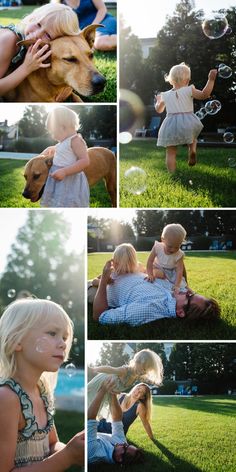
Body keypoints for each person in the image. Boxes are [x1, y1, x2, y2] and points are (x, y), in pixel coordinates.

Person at [0, 298, 84, 471]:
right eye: (52, 333)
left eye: (65, 337)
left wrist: (74, 451)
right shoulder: (7, 398)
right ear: (17, 341)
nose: (62, 344)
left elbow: (52, 444)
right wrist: (67, 457)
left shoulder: (42, 390)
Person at [92, 243, 221, 325]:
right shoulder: (174, 291)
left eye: (189, 296)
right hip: (126, 272)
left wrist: (103, 280)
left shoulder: (150, 308)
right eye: (192, 293)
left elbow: (100, 317)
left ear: (181, 312)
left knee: (88, 285)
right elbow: (179, 275)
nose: (188, 291)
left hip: (107, 286)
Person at [0, 3, 80, 98]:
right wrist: (25, 68)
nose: (37, 34)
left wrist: (68, 87)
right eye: (38, 24)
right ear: (31, 18)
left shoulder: (40, 52)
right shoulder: (9, 40)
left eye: (48, 35)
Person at [155, 62, 218, 171]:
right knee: (192, 138)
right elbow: (204, 94)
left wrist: (158, 101)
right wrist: (211, 80)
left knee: (170, 151)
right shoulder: (189, 89)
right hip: (188, 122)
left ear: (170, 80)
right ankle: (192, 151)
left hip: (171, 124)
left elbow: (159, 110)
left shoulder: (165, 95)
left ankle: (172, 173)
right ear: (188, 80)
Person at [88, 349, 163, 420]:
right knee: (89, 404)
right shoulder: (125, 371)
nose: (142, 372)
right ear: (136, 362)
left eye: (145, 371)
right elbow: (110, 369)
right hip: (100, 385)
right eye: (141, 369)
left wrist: (117, 391)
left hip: (108, 391)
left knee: (95, 411)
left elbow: (120, 386)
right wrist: (94, 369)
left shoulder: (135, 377)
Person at [40, 106, 90, 208]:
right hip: (59, 178)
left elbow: (85, 161)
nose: (52, 136)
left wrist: (65, 171)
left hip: (69, 180)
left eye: (52, 132)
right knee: (56, 203)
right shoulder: (63, 142)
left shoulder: (76, 141)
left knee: (67, 204)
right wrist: (52, 148)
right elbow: (61, 149)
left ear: (63, 127)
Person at [88, 378, 143, 465]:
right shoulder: (121, 443)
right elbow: (117, 420)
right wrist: (112, 393)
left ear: (119, 458)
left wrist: (103, 390)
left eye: (125, 447)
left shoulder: (94, 453)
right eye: (127, 445)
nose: (124, 444)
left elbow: (90, 419)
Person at [146, 223, 188, 295]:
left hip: (171, 271)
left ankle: (188, 290)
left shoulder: (179, 254)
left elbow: (180, 271)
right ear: (163, 240)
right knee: (157, 274)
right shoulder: (157, 247)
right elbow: (150, 261)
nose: (173, 250)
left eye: (177, 247)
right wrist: (150, 274)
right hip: (158, 267)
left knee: (181, 284)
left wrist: (177, 285)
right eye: (170, 246)